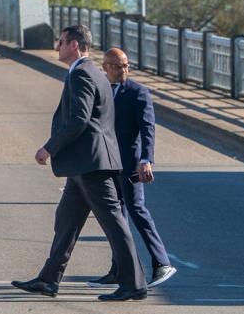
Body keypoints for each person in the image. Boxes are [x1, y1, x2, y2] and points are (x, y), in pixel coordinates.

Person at [12, 25, 147, 301]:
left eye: (60, 42)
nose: (56, 47)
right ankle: (49, 279)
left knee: (113, 222)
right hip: (84, 165)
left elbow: (79, 120)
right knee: (66, 221)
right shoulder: (95, 73)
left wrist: (49, 148)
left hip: (91, 164)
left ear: (74, 45)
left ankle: (134, 284)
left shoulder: (82, 74)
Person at [87, 48, 176, 288]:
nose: (123, 70)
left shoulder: (138, 93)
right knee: (116, 216)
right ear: (105, 67)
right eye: (117, 66)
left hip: (131, 165)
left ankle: (162, 263)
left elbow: (148, 129)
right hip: (108, 164)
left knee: (136, 209)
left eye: (126, 65)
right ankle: (119, 269)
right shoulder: (102, 90)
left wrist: (146, 159)